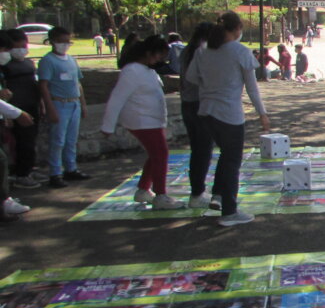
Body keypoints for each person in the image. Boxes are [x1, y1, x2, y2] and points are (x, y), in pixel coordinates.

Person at [185, 11, 271, 227]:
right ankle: (229, 211)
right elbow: (252, 88)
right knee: (232, 161)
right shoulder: (240, 52)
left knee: (224, 157)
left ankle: (218, 196)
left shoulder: (203, 51)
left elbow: (191, 77)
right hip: (229, 115)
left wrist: (210, 85)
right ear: (236, 30)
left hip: (206, 111)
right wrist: (262, 113)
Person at [100, 36, 186, 210]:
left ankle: (143, 189)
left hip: (152, 120)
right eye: (158, 56)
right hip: (141, 120)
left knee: (156, 154)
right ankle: (160, 195)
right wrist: (107, 126)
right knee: (161, 154)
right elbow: (117, 98)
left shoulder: (148, 70)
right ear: (148, 53)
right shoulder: (132, 71)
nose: (160, 60)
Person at [37, 27, 91, 188]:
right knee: (58, 140)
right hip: (59, 103)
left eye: (68, 41)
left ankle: (71, 168)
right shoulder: (48, 61)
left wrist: (83, 103)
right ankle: (55, 173)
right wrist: (49, 108)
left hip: (74, 102)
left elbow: (77, 83)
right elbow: (43, 86)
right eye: (61, 42)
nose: (65, 45)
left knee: (71, 140)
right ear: (52, 41)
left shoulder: (71, 60)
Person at [179, 22, 220, 210]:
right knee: (203, 150)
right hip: (200, 105)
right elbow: (196, 79)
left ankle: (197, 190)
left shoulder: (188, 51)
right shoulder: (201, 52)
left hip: (188, 104)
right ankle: (197, 192)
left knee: (198, 150)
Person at [1, 29, 44, 189]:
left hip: (31, 105)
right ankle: (21, 174)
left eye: (24, 45)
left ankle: (29, 168)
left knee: (31, 140)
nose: (22, 49)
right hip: (15, 108)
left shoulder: (28, 63)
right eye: (17, 47)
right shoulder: (5, 66)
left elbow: (35, 84)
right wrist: (9, 114)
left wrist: (41, 103)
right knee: (21, 142)